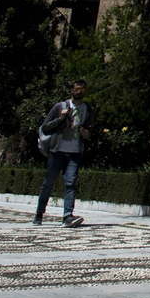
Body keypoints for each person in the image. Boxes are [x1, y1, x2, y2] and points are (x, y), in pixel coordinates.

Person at [34, 79, 95, 227]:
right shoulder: (60, 107)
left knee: (71, 183)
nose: (79, 91)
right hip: (57, 151)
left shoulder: (87, 109)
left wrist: (85, 133)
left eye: (82, 89)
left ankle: (67, 216)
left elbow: (89, 132)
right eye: (77, 89)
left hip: (75, 152)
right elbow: (45, 127)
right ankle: (39, 213)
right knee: (48, 183)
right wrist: (60, 118)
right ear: (72, 90)